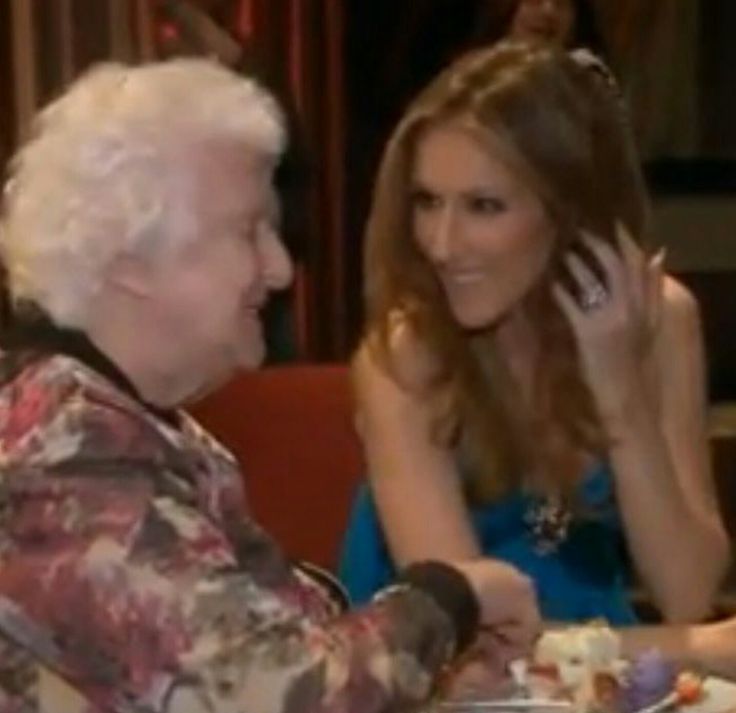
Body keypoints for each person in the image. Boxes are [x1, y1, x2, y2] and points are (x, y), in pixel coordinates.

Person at [0, 59, 541, 712]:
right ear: (132, 258)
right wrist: (451, 595)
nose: (282, 268)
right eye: (248, 230)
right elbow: (277, 693)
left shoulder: (134, 424)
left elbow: (272, 640)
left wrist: (426, 664)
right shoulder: (63, 451)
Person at [339, 40, 730, 626]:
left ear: (569, 210)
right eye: (427, 202)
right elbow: (466, 643)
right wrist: (692, 652)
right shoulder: (405, 358)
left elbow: (688, 591)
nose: (442, 245)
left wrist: (618, 384)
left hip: (599, 667)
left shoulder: (663, 320)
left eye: (484, 206)